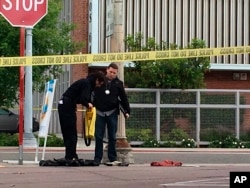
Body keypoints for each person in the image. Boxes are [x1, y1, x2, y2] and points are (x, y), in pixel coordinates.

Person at [58, 72, 105, 164]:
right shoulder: (87, 84)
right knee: (71, 132)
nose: (98, 86)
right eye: (99, 83)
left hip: (66, 105)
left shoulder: (84, 82)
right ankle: (70, 155)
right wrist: (88, 104)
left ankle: (71, 154)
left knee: (70, 132)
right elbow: (84, 98)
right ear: (96, 80)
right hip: (67, 106)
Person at [93, 63, 130, 166]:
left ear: (116, 73)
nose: (112, 74)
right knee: (99, 136)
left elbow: (123, 98)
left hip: (112, 112)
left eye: (114, 73)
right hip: (99, 111)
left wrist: (126, 111)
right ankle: (97, 158)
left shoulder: (118, 83)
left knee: (112, 136)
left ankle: (112, 158)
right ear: (107, 70)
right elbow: (92, 93)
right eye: (110, 72)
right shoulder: (99, 81)